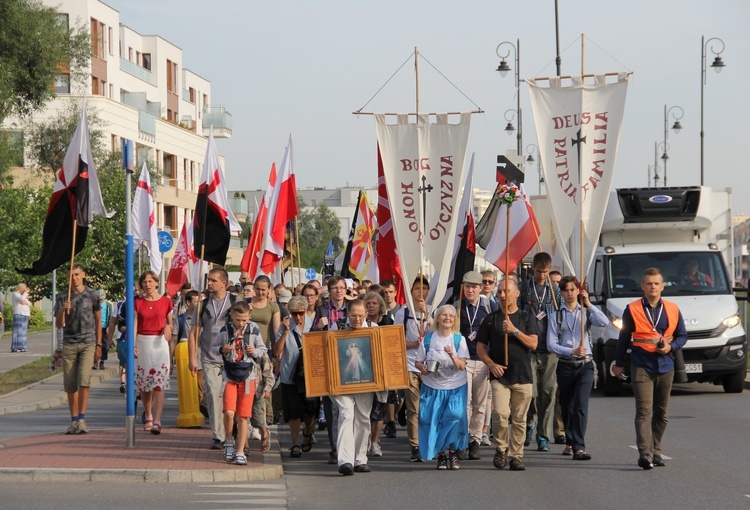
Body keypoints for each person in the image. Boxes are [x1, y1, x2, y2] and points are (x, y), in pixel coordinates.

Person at [613, 267, 688, 470]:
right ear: (643, 287)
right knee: (643, 411)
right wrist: (618, 363)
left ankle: (657, 450)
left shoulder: (672, 308)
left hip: (666, 365)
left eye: (656, 283)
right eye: (649, 283)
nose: (653, 286)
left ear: (662, 286)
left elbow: (682, 335)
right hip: (642, 364)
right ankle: (644, 453)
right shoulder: (633, 308)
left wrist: (671, 347)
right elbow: (624, 337)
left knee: (661, 412)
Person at [476, 278, 538, 471]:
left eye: (506, 291)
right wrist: (491, 364)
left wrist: (514, 331)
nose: (502, 295)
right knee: (501, 413)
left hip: (522, 375)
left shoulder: (527, 318)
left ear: (516, 293)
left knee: (520, 418)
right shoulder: (491, 319)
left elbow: (533, 344)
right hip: (500, 376)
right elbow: (480, 347)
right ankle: (501, 449)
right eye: (500, 292)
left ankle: (516, 456)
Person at [547, 276, 608, 460]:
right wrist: (571, 350)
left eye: (573, 289)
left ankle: (579, 446)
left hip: (585, 365)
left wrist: (588, 303)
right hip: (566, 364)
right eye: (566, 290)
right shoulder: (556, 315)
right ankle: (570, 441)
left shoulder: (586, 312)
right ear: (562, 293)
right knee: (567, 406)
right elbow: (551, 344)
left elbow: (604, 322)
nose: (570, 293)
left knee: (581, 405)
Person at [212, 301, 267, 465]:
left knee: (243, 416)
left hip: (248, 376)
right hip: (230, 375)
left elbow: (262, 349)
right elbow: (213, 347)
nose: (241, 323)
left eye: (244, 320)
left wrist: (254, 351)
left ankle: (240, 450)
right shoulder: (226, 330)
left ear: (249, 317)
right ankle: (229, 440)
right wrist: (223, 349)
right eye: (237, 320)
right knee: (229, 412)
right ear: (232, 317)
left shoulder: (253, 330)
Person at [415, 305, 469, 470]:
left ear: (455, 320)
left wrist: (452, 355)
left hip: (455, 386)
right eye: (443, 315)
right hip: (433, 386)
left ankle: (453, 452)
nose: (447, 318)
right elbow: (418, 361)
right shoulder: (428, 339)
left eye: (451, 316)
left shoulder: (459, 340)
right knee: (432, 420)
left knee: (455, 417)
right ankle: (441, 455)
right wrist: (422, 369)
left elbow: (461, 366)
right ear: (437, 318)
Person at [189, 267, 238, 449]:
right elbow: (194, 332)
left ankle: (232, 430)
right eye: (208, 280)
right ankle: (219, 435)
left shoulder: (234, 302)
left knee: (230, 396)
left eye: (213, 280)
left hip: (231, 359)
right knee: (212, 393)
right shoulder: (202, 305)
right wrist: (192, 358)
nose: (209, 283)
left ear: (223, 283)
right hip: (209, 357)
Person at [331, 299, 378, 475]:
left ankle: (360, 459)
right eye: (353, 315)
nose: (357, 319)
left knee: (363, 418)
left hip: (366, 380)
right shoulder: (337, 327)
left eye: (360, 315)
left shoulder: (374, 328)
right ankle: (345, 460)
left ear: (366, 314)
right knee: (346, 414)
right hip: (341, 381)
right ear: (347, 314)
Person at [519, 252, 560, 452]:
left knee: (548, 392)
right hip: (529, 348)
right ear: (532, 269)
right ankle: (530, 423)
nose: (542, 275)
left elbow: (562, 314)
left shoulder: (555, 291)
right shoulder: (524, 289)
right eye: (538, 271)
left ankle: (543, 435)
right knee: (531, 393)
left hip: (550, 348)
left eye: (545, 272)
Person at [55, 264, 102, 434]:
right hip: (69, 343)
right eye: (71, 275)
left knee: (84, 381)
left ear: (83, 275)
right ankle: (74, 420)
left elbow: (98, 321)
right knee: (70, 384)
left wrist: (99, 344)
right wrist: (62, 310)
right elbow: (59, 324)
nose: (74, 278)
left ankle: (82, 418)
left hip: (88, 342)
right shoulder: (62, 296)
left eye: (76, 274)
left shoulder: (92, 294)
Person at [455, 270, 494, 461]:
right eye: (467, 286)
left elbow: (494, 335)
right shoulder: (457, 307)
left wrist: (491, 362)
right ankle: (463, 439)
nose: (470, 290)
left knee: (480, 404)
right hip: (464, 360)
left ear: (480, 288)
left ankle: (475, 440)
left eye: (474, 287)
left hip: (483, 360)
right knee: (465, 403)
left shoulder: (489, 306)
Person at [274, 296, 320, 458]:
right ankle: (294, 444)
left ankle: (307, 433)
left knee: (310, 410)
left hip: (310, 375)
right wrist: (285, 332)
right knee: (293, 413)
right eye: (294, 314)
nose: (298, 317)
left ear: (306, 311)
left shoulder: (313, 324)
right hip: (290, 375)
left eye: (301, 313)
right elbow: (277, 351)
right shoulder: (285, 325)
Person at [393, 275, 433, 462]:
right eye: (417, 289)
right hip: (410, 365)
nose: (421, 292)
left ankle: (428, 442)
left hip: (429, 368)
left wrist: (429, 316)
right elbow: (395, 340)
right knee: (414, 408)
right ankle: (415, 445)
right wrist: (412, 344)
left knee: (428, 408)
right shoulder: (403, 312)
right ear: (411, 292)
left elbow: (439, 336)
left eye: (424, 289)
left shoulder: (433, 311)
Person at [312, 275, 350, 464]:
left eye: (341, 287)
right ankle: (336, 448)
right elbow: (311, 339)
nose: (338, 291)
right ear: (329, 290)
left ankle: (349, 447)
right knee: (332, 409)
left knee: (350, 409)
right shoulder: (322, 309)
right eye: (335, 287)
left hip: (349, 364)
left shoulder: (352, 309)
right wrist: (318, 327)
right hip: (329, 364)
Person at [134, 271, 173, 434]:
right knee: (145, 384)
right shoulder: (138, 303)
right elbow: (135, 323)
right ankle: (148, 415)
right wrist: (133, 343)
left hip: (159, 343)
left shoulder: (165, 302)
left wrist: (168, 327)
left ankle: (157, 420)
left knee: (158, 384)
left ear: (157, 283)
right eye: (145, 282)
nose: (148, 285)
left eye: (151, 281)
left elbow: (171, 323)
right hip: (143, 342)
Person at [250, 275, 281, 439]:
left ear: (269, 290)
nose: (260, 292)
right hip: (247, 350)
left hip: (264, 351)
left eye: (263, 289)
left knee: (262, 387)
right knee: (249, 387)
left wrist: (277, 352)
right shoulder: (247, 303)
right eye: (258, 289)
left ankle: (260, 421)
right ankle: (250, 423)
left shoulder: (273, 306)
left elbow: (275, 330)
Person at [95, 290, 112, 370]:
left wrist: (109, 326)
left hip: (105, 327)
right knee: (95, 344)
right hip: (96, 327)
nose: (101, 300)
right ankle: (95, 362)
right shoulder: (95, 304)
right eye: (99, 298)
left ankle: (102, 362)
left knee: (104, 345)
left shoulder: (108, 305)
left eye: (102, 298)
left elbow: (111, 317)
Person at [11, 283, 31, 353]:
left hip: (25, 314)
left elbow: (29, 303)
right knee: (18, 331)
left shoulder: (23, 295)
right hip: (19, 314)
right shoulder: (15, 294)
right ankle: (16, 347)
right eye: (24, 289)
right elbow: (21, 300)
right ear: (21, 288)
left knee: (23, 331)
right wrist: (25, 294)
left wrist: (25, 301)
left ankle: (23, 346)